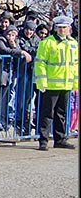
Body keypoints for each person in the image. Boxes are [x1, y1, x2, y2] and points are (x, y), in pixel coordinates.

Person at [34, 15, 78, 151]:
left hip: (66, 84)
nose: (62, 30)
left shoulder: (73, 43)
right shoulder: (47, 43)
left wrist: (75, 83)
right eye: (59, 28)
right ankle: (43, 139)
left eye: (64, 28)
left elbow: (75, 64)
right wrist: (42, 82)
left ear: (69, 28)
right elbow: (40, 63)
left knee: (62, 113)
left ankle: (60, 139)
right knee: (47, 113)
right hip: (51, 84)